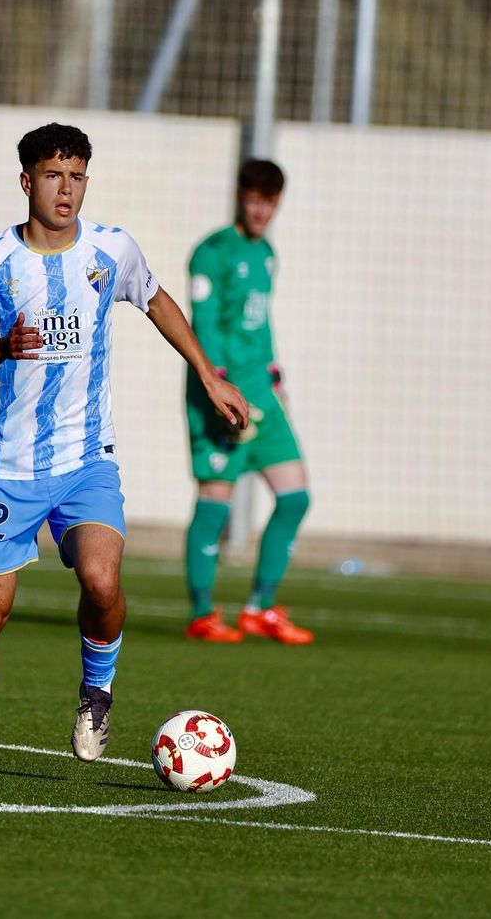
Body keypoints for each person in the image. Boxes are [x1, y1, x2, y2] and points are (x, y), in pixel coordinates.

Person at [0, 123, 248, 775]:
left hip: (85, 460)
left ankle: (96, 693)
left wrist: (210, 376)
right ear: (27, 182)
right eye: (53, 175)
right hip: (5, 469)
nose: (66, 188)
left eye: (76, 175)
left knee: (103, 580)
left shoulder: (110, 250)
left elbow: (157, 300)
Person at [181, 158, 314, 645]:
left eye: (270, 202)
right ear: (241, 197)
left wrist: (276, 379)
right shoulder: (211, 253)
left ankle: (261, 607)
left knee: (296, 496)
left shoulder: (267, 256)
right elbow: (205, 326)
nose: (262, 210)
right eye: (255, 199)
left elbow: (261, 326)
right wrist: (217, 387)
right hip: (221, 394)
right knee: (216, 500)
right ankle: (202, 612)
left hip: (264, 395)